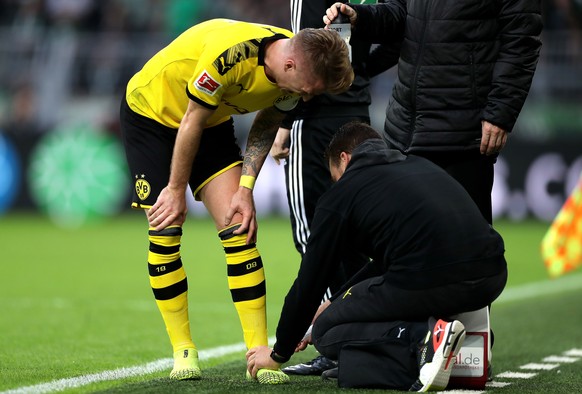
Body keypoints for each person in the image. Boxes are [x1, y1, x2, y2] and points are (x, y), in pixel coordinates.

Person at [119, 18, 353, 384]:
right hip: (153, 117)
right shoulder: (229, 58)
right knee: (166, 227)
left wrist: (245, 189)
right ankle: (183, 350)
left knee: (238, 228)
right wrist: (176, 188)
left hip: (210, 123)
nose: (307, 97)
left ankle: (257, 356)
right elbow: (189, 121)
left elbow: (267, 121)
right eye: (308, 89)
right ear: (291, 66)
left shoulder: (294, 67)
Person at [246, 122, 508, 391]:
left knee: (326, 333)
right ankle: (465, 353)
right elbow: (385, 263)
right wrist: (335, 301)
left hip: (434, 279)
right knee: (363, 303)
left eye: (334, 174)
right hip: (492, 275)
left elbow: (310, 281)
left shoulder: (341, 194)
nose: (336, 181)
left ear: (344, 159)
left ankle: (424, 339)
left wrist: (279, 353)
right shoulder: (418, 165)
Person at [324, 1, 543, 225]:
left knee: (465, 244)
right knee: (403, 243)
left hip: (460, 134)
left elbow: (521, 41)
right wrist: (360, 16)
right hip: (403, 130)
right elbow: (399, 13)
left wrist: (500, 112)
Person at [272, 0, 401, 376]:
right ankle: (364, 338)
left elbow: (299, 58)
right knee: (357, 238)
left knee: (316, 238)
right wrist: (356, 75)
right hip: (357, 117)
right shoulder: (364, 4)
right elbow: (397, 38)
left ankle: (336, 341)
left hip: (314, 120)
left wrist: (286, 122)